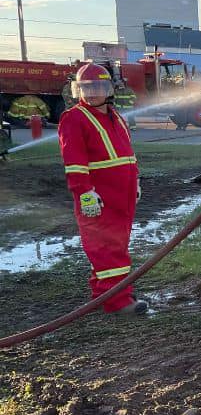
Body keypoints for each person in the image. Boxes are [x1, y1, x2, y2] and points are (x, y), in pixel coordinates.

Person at [57, 62, 146, 315]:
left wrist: (136, 182)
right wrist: (84, 193)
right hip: (99, 197)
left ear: (109, 89)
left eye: (97, 87)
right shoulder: (74, 118)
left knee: (117, 245)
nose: (92, 92)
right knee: (106, 248)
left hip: (122, 195)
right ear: (78, 90)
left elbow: (127, 154)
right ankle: (118, 302)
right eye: (86, 87)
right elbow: (74, 162)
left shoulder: (116, 117)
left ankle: (106, 293)